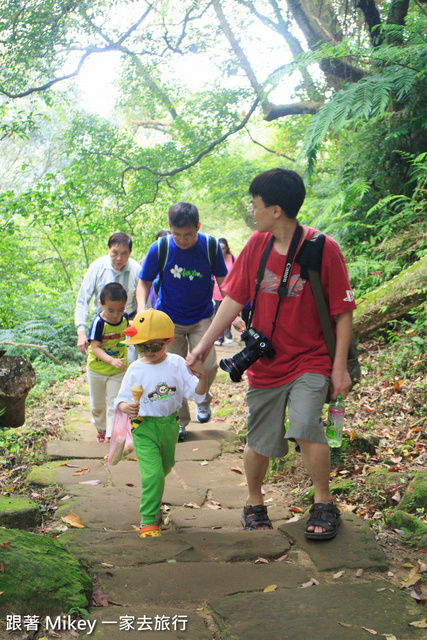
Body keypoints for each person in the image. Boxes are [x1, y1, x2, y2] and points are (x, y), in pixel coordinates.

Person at [188, 168, 356, 540]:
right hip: (265, 363)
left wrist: (339, 367)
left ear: (276, 209)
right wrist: (202, 346)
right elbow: (233, 300)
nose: (253, 210)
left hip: (311, 359)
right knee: (260, 439)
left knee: (307, 424)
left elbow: (342, 311)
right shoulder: (256, 246)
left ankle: (324, 504)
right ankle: (254, 502)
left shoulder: (322, 248)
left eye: (256, 204)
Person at [136, 202, 228, 442]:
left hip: (202, 317)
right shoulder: (161, 248)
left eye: (188, 234)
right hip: (168, 319)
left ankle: (202, 401)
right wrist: (140, 310)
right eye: (177, 234)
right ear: (170, 228)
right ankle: (179, 421)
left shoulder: (209, 246)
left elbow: (223, 281)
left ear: (198, 227)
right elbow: (143, 282)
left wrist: (233, 312)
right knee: (170, 371)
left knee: (207, 365)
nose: (182, 240)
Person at [114, 309, 207, 538]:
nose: (147, 351)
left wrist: (203, 376)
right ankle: (148, 520)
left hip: (169, 426)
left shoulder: (176, 364)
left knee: (166, 466)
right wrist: (127, 407)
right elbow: (120, 400)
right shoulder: (135, 367)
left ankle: (152, 495)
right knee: (153, 475)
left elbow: (198, 394)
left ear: (169, 341)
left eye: (154, 346)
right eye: (141, 346)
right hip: (143, 427)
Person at [75, 232, 141, 356]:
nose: (119, 258)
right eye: (115, 252)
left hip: (128, 324)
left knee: (127, 363)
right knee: (100, 362)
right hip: (102, 325)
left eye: (124, 253)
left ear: (130, 252)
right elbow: (83, 300)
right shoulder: (97, 267)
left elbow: (144, 303)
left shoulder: (136, 270)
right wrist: (81, 332)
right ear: (108, 249)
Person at [87, 283, 129, 443]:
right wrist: (111, 360)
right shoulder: (98, 323)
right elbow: (95, 347)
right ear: (101, 304)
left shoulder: (124, 318)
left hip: (118, 369)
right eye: (110, 310)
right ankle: (101, 427)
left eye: (120, 310)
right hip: (97, 369)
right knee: (97, 406)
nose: (116, 315)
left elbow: (128, 328)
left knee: (114, 402)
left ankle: (112, 434)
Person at [213, 238, 235, 346]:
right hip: (216, 292)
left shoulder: (233, 259)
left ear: (227, 248)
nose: (221, 250)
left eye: (223, 248)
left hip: (230, 292)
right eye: (219, 248)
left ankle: (228, 335)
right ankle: (220, 337)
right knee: (218, 315)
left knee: (229, 313)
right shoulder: (214, 259)